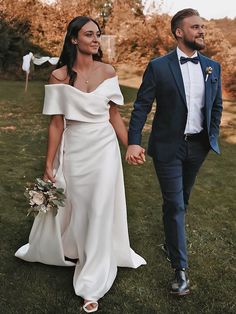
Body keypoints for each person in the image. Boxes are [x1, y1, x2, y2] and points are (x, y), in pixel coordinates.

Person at [15, 16, 146, 313]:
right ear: (74, 39)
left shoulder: (108, 71)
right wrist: (48, 164)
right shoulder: (58, 76)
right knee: (77, 204)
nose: (96, 39)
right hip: (74, 149)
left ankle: (92, 281)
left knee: (99, 208)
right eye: (89, 34)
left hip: (104, 149)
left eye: (98, 34)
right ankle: (73, 248)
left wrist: (132, 144)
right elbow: (56, 125)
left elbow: (114, 116)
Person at [126, 8, 222, 296]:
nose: (201, 31)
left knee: (181, 200)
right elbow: (142, 105)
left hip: (198, 147)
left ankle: (172, 237)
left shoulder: (212, 67)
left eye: (202, 27)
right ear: (179, 32)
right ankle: (180, 271)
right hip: (167, 146)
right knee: (177, 204)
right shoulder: (158, 66)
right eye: (195, 27)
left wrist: (211, 135)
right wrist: (133, 141)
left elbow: (215, 106)